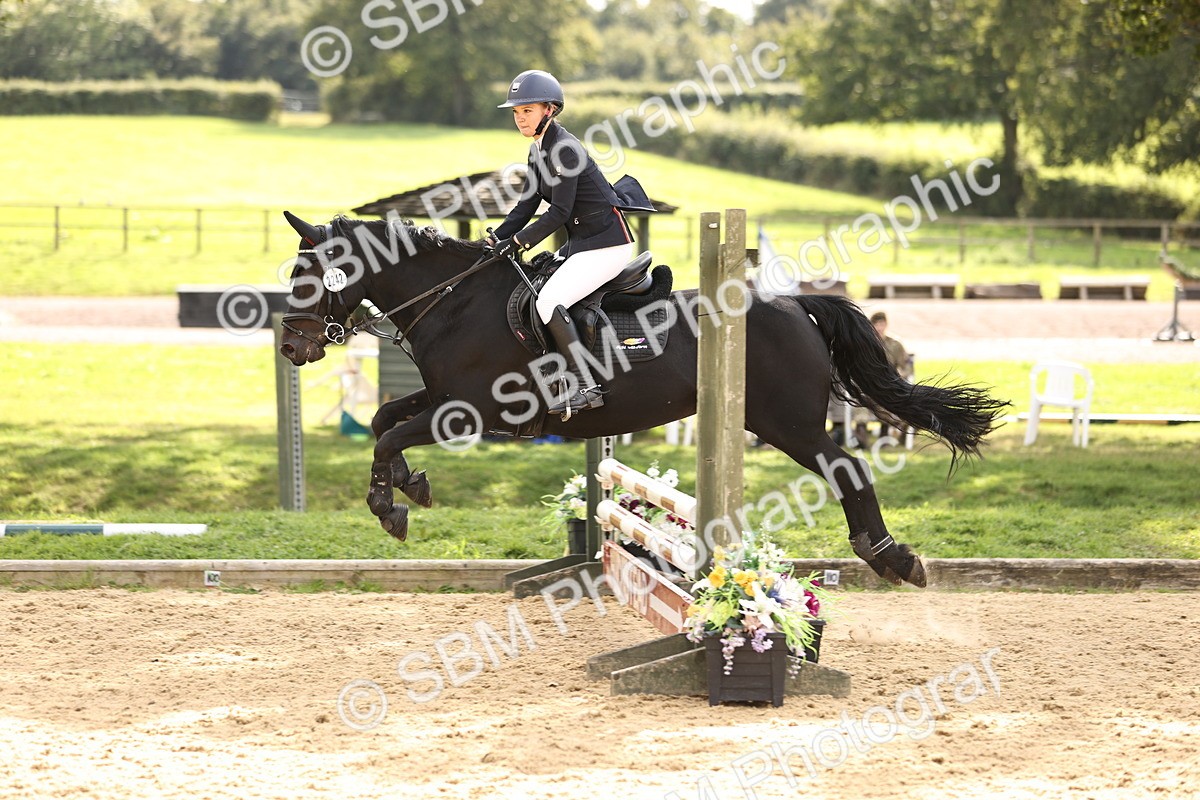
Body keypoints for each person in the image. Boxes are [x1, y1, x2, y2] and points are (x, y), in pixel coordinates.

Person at [488, 69, 637, 418]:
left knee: (549, 300)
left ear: (550, 110)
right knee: (533, 288)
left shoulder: (565, 149)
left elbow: (559, 211)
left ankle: (586, 386)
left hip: (608, 244)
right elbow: (526, 205)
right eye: (516, 112)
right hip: (585, 243)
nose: (520, 118)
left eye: (527, 110)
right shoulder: (537, 150)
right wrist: (497, 239)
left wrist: (520, 242)